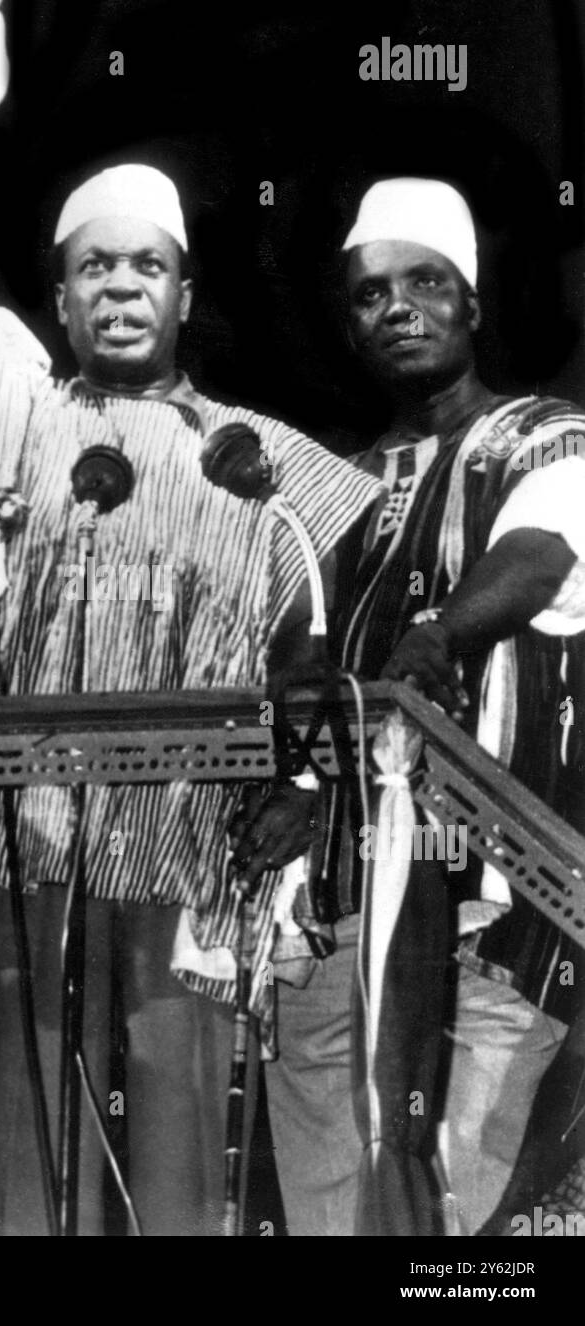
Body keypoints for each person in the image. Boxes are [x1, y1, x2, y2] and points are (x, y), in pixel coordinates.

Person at [0, 0, 380, 1236]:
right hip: (31, 836)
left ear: (184, 292)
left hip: (193, 853)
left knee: (166, 1180)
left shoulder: (255, 455)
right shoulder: (21, 403)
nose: (117, 287)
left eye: (144, 268)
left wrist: (304, 786)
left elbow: (317, 649)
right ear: (56, 294)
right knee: (28, 1169)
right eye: (93, 268)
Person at [238, 176, 585, 1236]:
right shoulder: (331, 487)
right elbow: (296, 659)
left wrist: (435, 638)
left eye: (425, 282)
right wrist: (294, 776)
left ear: (471, 303)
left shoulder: (546, 438)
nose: (398, 306)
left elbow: (535, 556)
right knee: (328, 1203)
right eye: (371, 292)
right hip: (335, 901)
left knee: (444, 1213)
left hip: (493, 908)